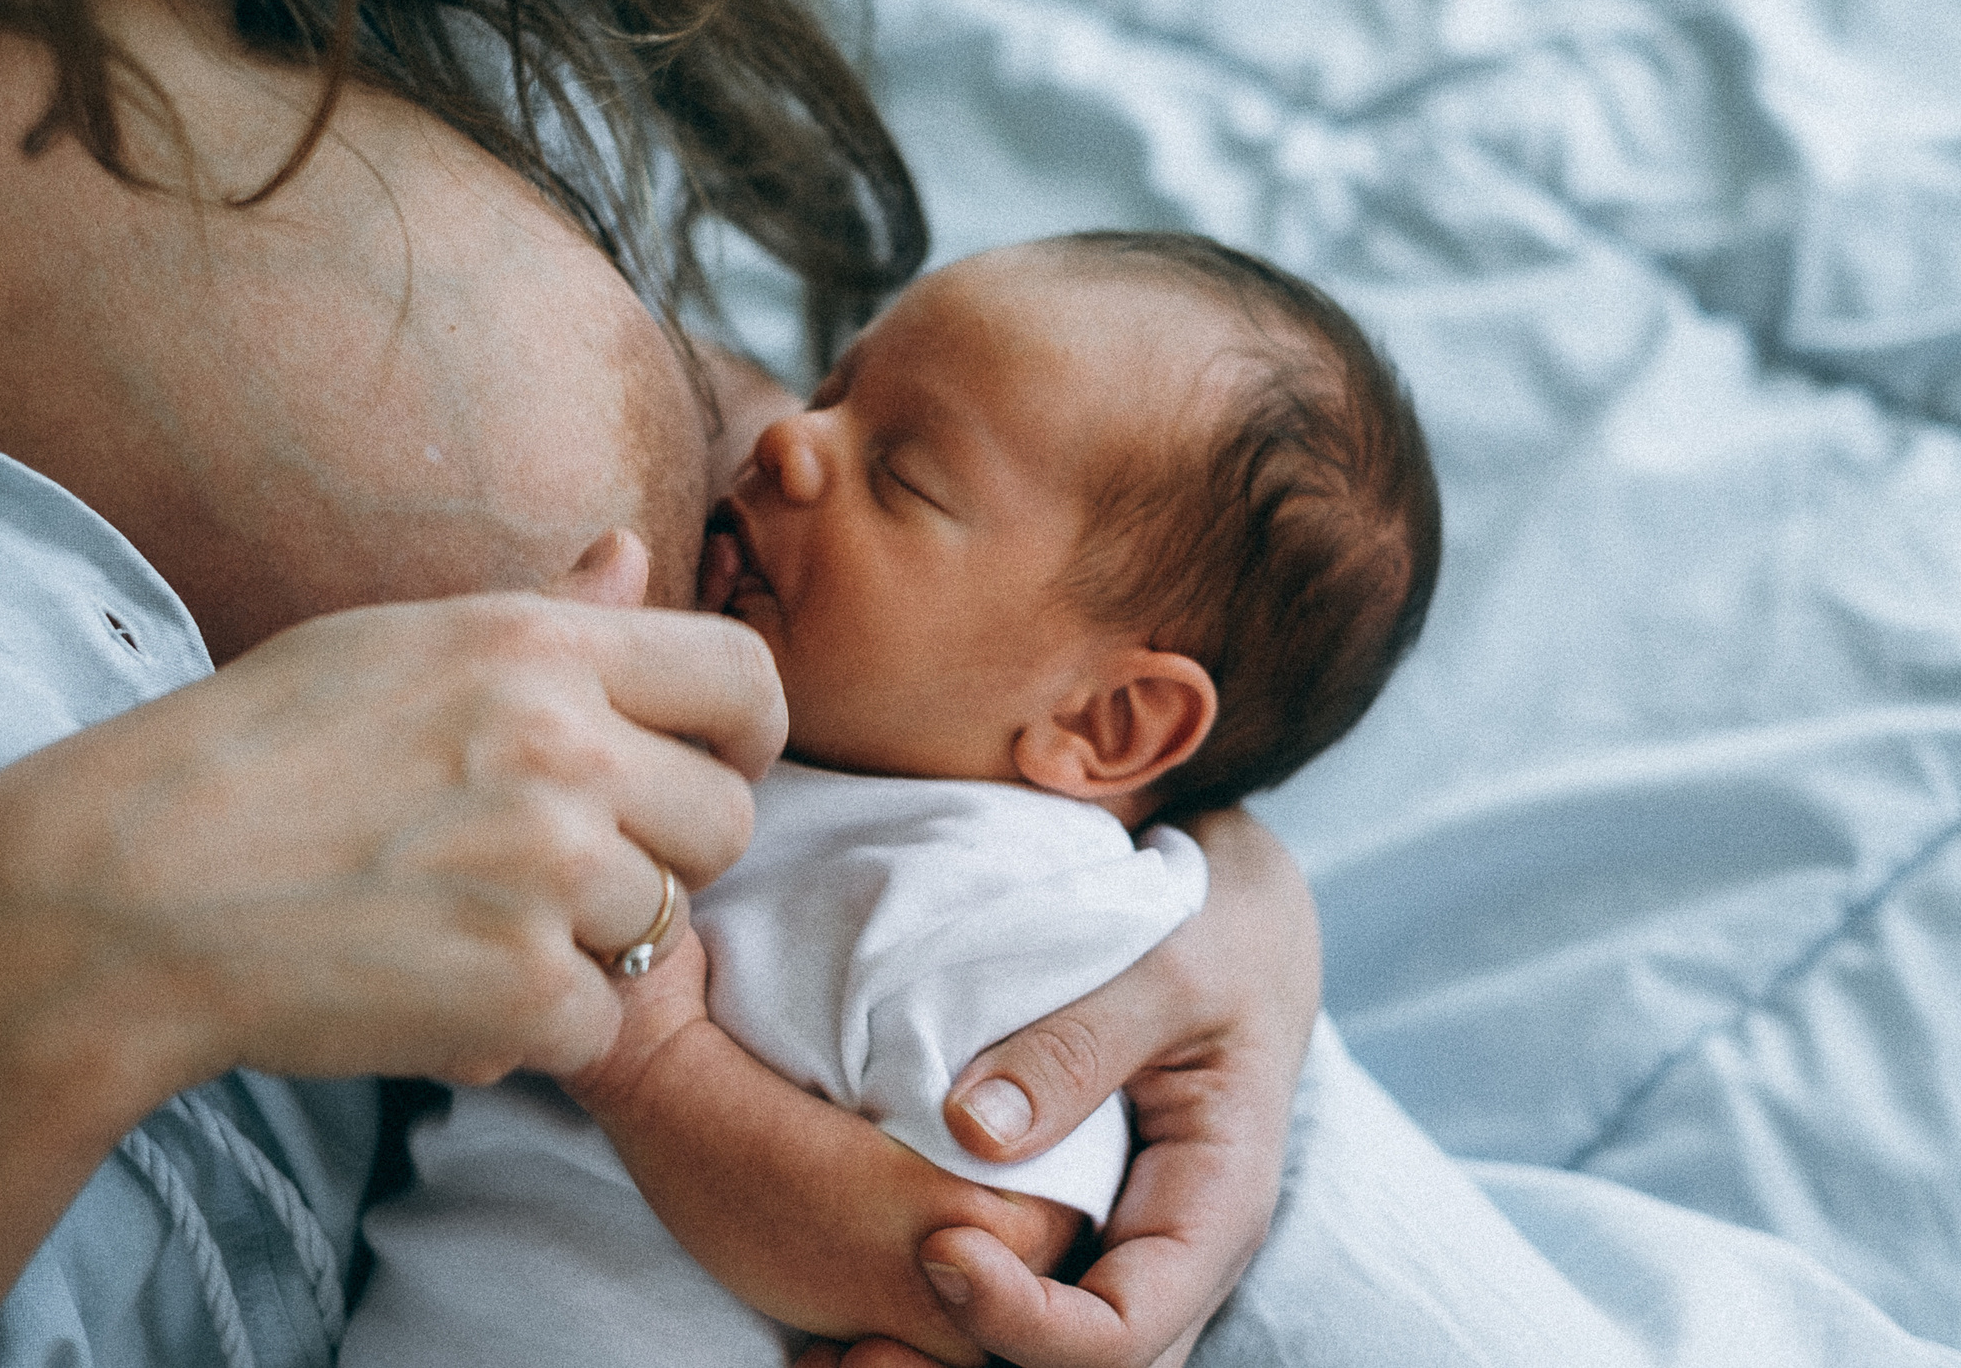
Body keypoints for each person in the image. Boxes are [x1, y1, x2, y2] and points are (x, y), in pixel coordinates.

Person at [0, 0, 1323, 1366]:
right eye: (836, 414)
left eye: (885, 456)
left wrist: (1202, 856)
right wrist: (64, 932)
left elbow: (995, 1237)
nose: (797, 448)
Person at [342, 230, 1442, 1366]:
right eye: (833, 390)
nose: (787, 440)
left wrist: (649, 1058)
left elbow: (963, 1258)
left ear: (1101, 724)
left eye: (901, 475)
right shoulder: (771, 745)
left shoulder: (1018, 896)